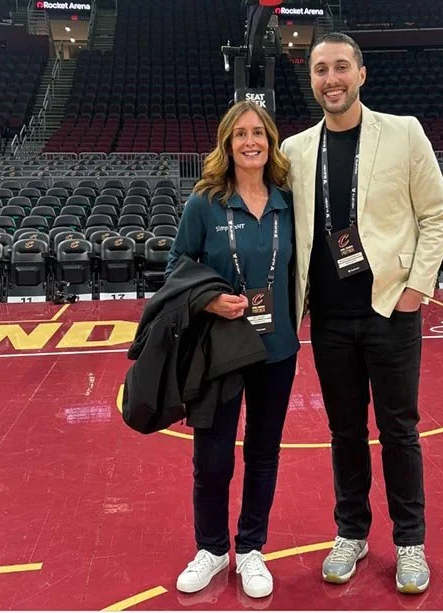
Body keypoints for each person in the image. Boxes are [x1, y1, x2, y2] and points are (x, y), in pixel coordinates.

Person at [281, 32, 443, 594]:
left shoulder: (404, 133)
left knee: (399, 430)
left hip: (389, 310)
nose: (330, 79)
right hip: (329, 317)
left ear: (361, 73)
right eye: (319, 70)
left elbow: (437, 215)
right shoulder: (296, 150)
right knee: (344, 431)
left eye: (340, 67)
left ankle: (410, 544)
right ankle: (351, 533)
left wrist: (415, 291)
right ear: (311, 80)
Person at [165, 100, 299, 599]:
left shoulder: (289, 200)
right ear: (226, 143)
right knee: (213, 455)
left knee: (264, 453)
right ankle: (212, 548)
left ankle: (251, 549)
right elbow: (176, 267)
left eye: (258, 133)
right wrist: (209, 300)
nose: (250, 142)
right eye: (240, 134)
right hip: (219, 349)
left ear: (270, 141)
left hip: (277, 350)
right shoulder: (205, 202)